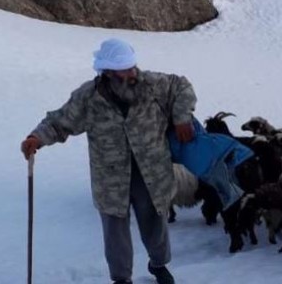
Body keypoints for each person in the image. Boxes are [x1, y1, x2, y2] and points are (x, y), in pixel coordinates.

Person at [20, 38, 197, 284]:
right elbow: (60, 121)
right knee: (115, 230)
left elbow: (183, 87)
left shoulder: (154, 85)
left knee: (154, 222)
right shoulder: (89, 97)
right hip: (111, 178)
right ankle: (121, 278)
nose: (132, 72)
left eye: (132, 66)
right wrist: (36, 138)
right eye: (124, 69)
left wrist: (181, 117)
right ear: (108, 72)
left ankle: (159, 265)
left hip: (151, 172)